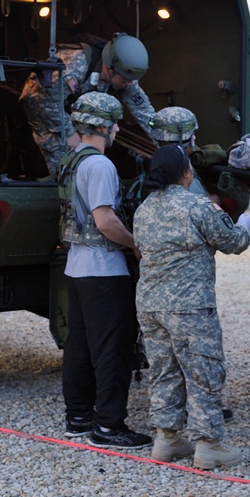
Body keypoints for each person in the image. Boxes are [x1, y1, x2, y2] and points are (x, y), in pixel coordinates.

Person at [133, 145, 250, 469]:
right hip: (189, 307)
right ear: (186, 171)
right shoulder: (198, 206)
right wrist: (245, 224)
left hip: (150, 305)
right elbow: (234, 243)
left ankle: (167, 440)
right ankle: (207, 445)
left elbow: (140, 251)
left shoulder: (143, 209)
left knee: (163, 370)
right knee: (204, 372)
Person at [57, 92, 151, 450]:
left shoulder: (71, 160)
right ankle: (110, 427)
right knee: (113, 349)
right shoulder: (99, 166)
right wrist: (134, 243)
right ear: (102, 126)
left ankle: (78, 418)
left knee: (79, 346)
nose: (116, 130)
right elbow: (105, 220)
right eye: (114, 124)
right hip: (104, 269)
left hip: (77, 267)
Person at [21, 32, 156, 175]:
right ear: (110, 69)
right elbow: (44, 100)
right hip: (42, 103)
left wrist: (168, 141)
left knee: (86, 154)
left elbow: (145, 113)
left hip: (72, 111)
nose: (130, 84)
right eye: (126, 79)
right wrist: (69, 133)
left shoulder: (125, 77)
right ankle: (64, 187)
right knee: (66, 162)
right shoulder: (76, 65)